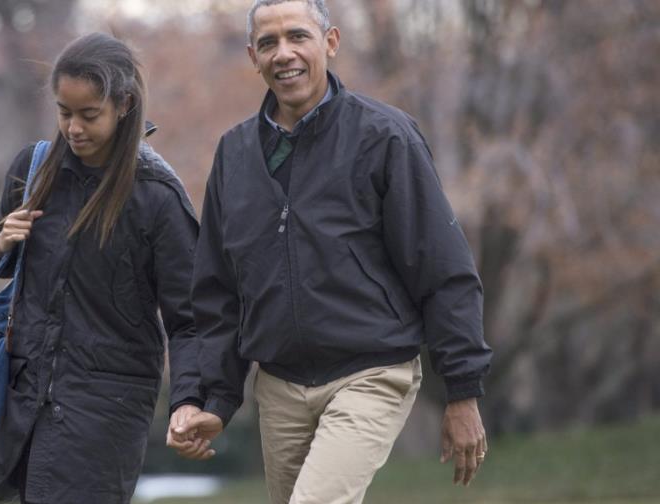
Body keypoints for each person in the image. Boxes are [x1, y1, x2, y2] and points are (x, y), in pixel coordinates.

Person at [167, 1, 493, 502]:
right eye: (269, 43)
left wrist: (463, 390)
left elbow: (443, 268)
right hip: (279, 385)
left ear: (331, 43)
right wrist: (211, 398)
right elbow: (216, 295)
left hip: (372, 371)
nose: (285, 54)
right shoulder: (233, 155)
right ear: (253, 56)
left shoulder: (385, 136)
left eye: (298, 36)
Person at [0, 33, 202, 504]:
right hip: (18, 399)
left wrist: (191, 399)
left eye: (89, 114)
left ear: (124, 105)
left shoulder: (157, 197)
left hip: (105, 408)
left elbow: (191, 317)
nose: (73, 127)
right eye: (64, 112)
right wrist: (0, 241)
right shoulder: (34, 168)